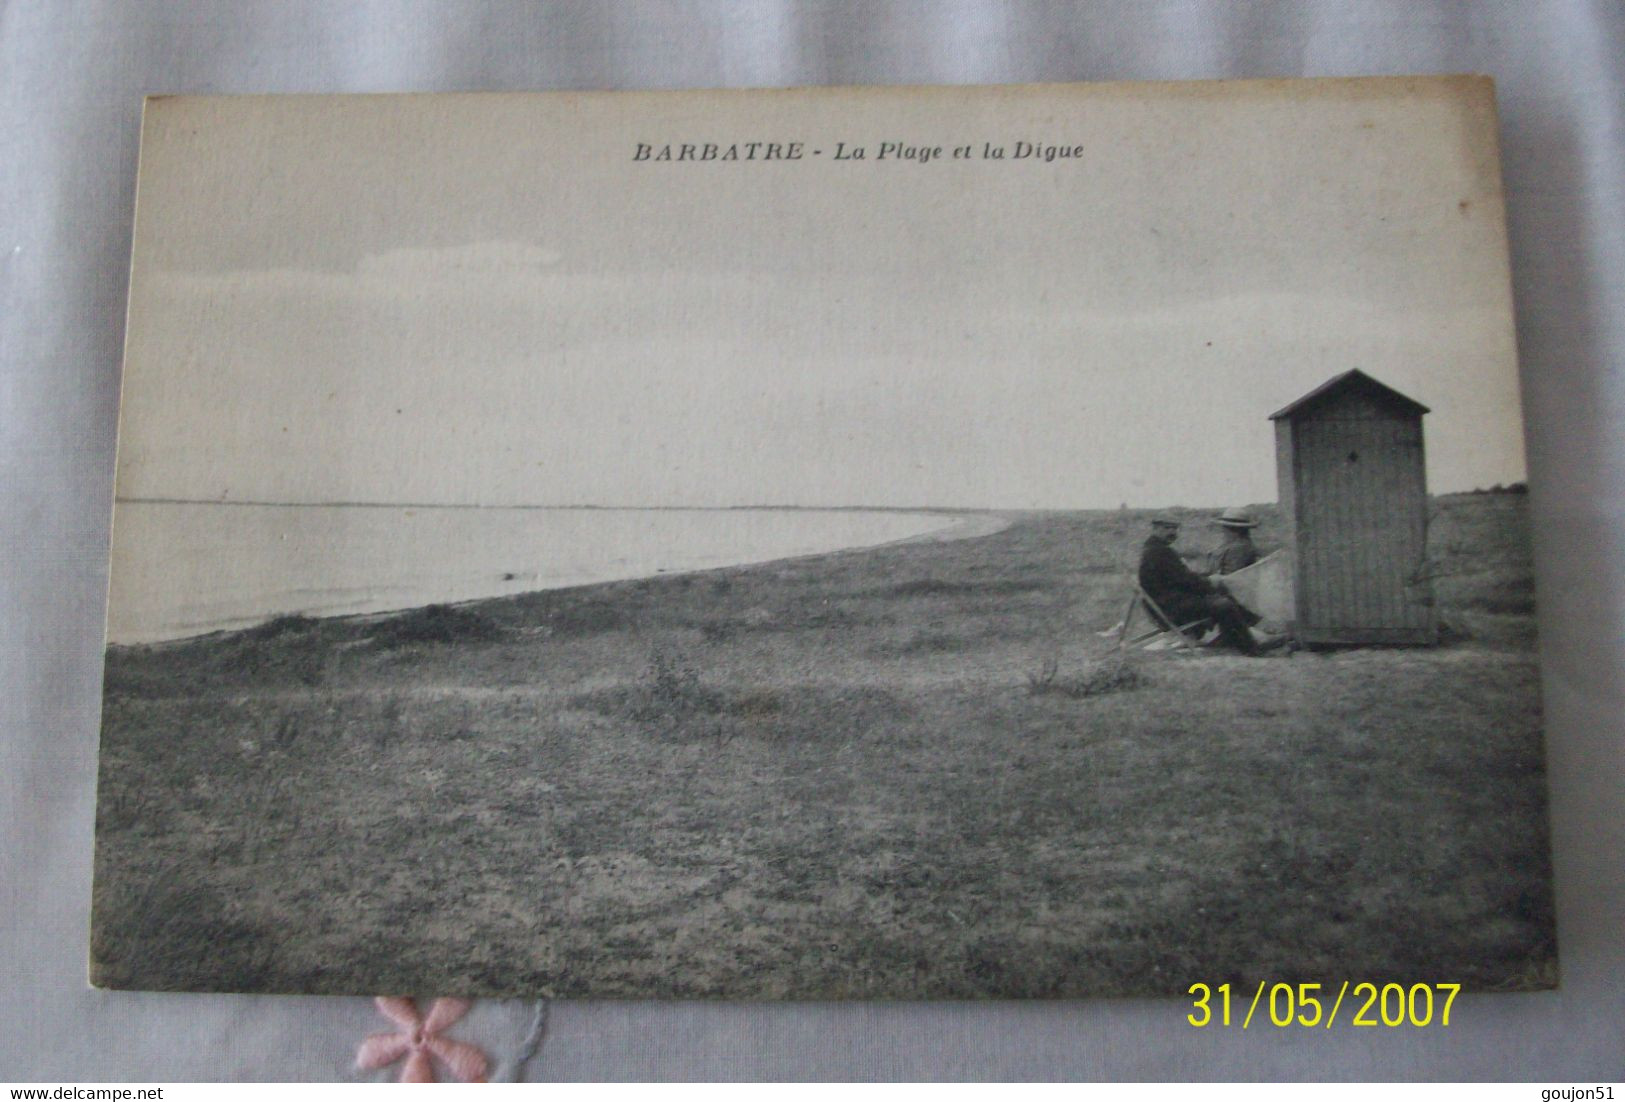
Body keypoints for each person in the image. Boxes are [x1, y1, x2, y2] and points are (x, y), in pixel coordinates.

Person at [1137, 515, 1260, 654]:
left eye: (1175, 529)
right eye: (1167, 528)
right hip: (1170, 607)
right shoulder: (1158, 551)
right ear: (1155, 529)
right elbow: (1185, 580)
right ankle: (1250, 649)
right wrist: (1209, 582)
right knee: (1224, 605)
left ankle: (1238, 636)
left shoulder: (1154, 549)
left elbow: (1180, 578)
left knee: (1221, 598)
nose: (1172, 532)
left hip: (1167, 602)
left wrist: (1206, 582)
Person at [1209, 507, 1261, 576]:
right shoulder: (1239, 544)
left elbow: (1231, 579)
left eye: (1226, 527)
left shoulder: (1239, 549)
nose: (1224, 531)